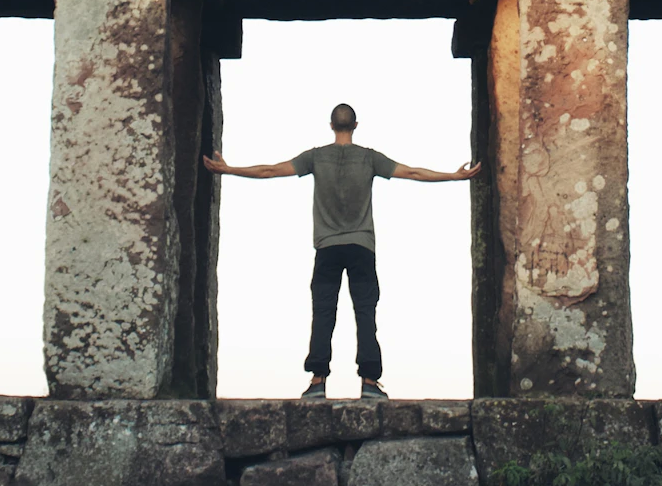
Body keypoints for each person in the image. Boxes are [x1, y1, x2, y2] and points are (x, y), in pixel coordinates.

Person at [204, 104, 479, 398]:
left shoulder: (316, 157)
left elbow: (270, 170)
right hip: (361, 248)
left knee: (323, 312)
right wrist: (453, 176)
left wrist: (228, 169)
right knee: (365, 312)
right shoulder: (370, 159)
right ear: (356, 125)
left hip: (327, 249)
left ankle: (318, 381)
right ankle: (370, 383)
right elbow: (413, 172)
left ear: (331, 125)